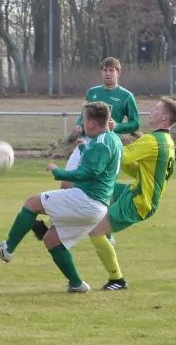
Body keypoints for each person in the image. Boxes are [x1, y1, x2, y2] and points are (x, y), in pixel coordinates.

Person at [0, 102, 123, 293]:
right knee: (52, 239)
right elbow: (98, 164)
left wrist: (60, 173)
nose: (82, 123)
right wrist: (82, 150)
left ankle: (7, 248)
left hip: (86, 200)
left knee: (32, 203)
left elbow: (89, 173)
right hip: (96, 207)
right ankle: (76, 284)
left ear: (91, 121)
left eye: (84, 118)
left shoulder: (102, 143)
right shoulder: (110, 139)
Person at [34, 57, 140, 245]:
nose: (108, 74)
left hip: (107, 147)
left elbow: (135, 123)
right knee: (66, 183)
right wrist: (77, 127)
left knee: (101, 191)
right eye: (105, 70)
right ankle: (54, 228)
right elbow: (84, 116)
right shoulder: (93, 92)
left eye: (112, 70)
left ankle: (105, 231)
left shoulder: (126, 96)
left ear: (118, 72)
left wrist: (119, 126)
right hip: (87, 143)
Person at [87, 97, 176, 291]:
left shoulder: (153, 141)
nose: (151, 110)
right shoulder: (166, 141)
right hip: (138, 192)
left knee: (95, 232)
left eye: (156, 109)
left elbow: (119, 154)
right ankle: (101, 232)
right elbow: (135, 168)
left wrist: (106, 132)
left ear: (165, 117)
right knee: (100, 189)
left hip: (139, 200)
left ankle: (117, 280)